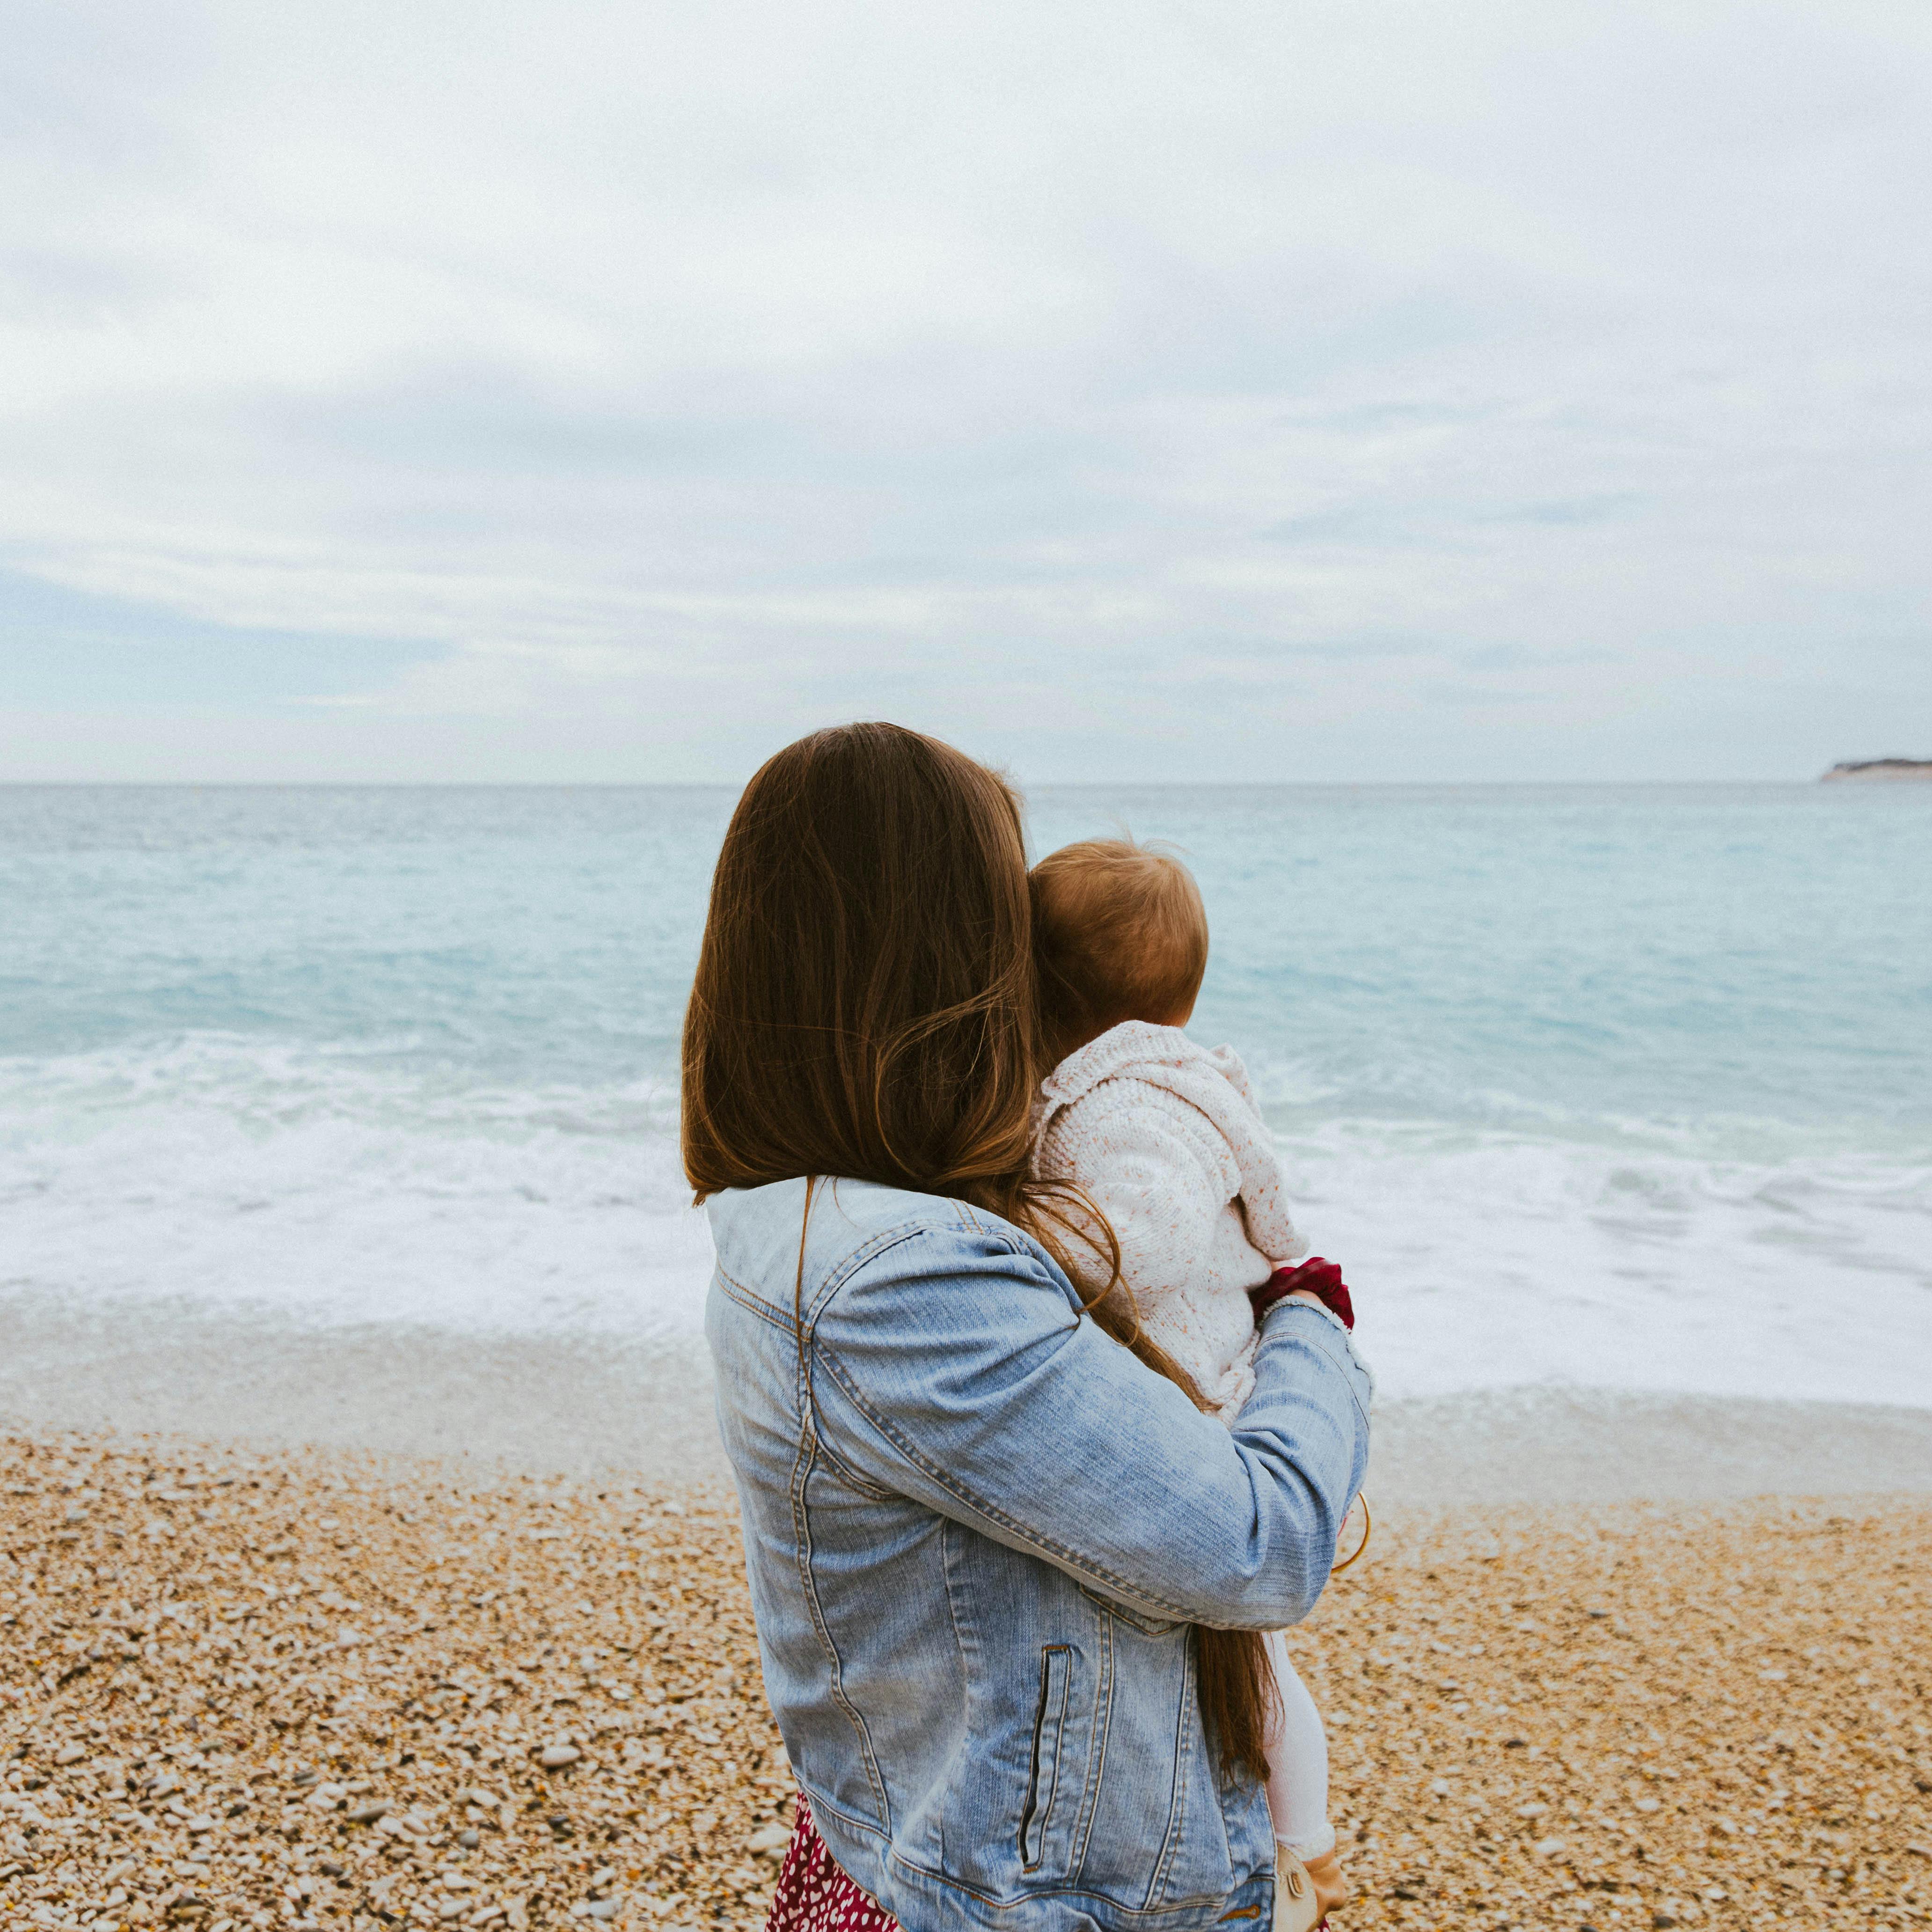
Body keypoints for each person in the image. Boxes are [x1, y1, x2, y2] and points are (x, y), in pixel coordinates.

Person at [685, 723, 1373, 1932]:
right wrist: (1307, 1310)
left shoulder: (803, 1223)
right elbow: (1264, 1540)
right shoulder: (908, 1285)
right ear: (939, 961)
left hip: (902, 1849)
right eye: (1008, 931)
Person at [1029, 836, 1370, 1922]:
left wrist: (1021, 1239)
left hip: (1203, 1405)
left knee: (1252, 1666)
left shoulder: (1132, 1108)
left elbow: (1145, 1234)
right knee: (1239, 1664)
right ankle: (1288, 1836)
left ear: (1042, 993)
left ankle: (1305, 1848)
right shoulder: (1145, 1083)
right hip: (1188, 1379)